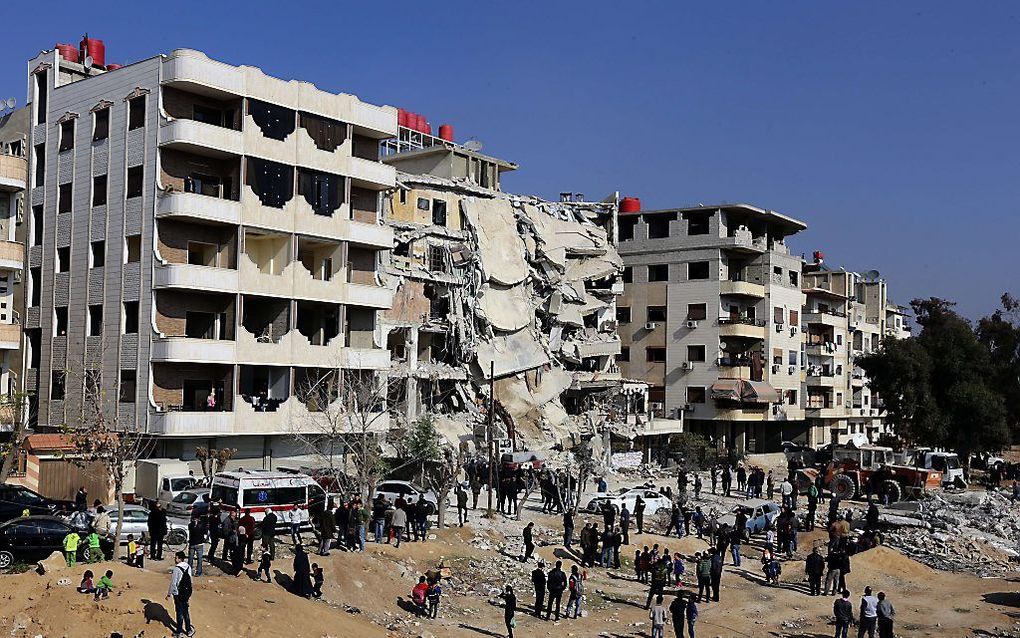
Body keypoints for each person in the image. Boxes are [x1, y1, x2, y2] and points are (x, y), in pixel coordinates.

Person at [166, 551, 194, 638]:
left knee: (179, 613)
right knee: (186, 611)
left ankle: (179, 632)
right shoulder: (188, 566)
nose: (175, 559)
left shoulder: (177, 569)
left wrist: (169, 594)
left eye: (176, 557)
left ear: (179, 559)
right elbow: (190, 579)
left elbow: (174, 583)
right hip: (186, 592)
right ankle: (189, 630)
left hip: (178, 593)